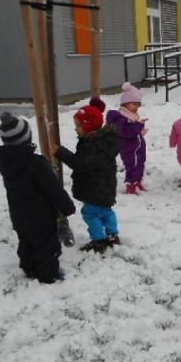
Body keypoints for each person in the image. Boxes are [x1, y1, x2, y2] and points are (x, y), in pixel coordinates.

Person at [0, 112, 75, 284]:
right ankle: (48, 275)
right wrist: (68, 207)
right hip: (40, 217)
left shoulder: (7, 163)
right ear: (27, 138)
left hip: (18, 215)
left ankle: (28, 267)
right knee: (47, 246)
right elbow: (53, 189)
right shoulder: (36, 164)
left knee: (26, 241)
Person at [53, 105, 120, 254]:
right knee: (106, 211)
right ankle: (112, 235)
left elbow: (79, 163)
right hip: (106, 188)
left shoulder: (91, 146)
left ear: (88, 126)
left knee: (91, 214)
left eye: (78, 126)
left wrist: (60, 152)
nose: (76, 129)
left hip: (94, 189)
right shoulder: (104, 141)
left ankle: (99, 241)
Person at [106, 82, 148, 195]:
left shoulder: (131, 116)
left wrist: (139, 127)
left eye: (138, 105)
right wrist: (139, 125)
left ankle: (137, 181)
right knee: (132, 166)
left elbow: (135, 131)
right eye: (134, 104)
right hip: (129, 148)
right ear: (125, 103)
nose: (136, 107)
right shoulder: (121, 118)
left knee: (140, 163)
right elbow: (126, 133)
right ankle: (131, 185)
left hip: (137, 147)